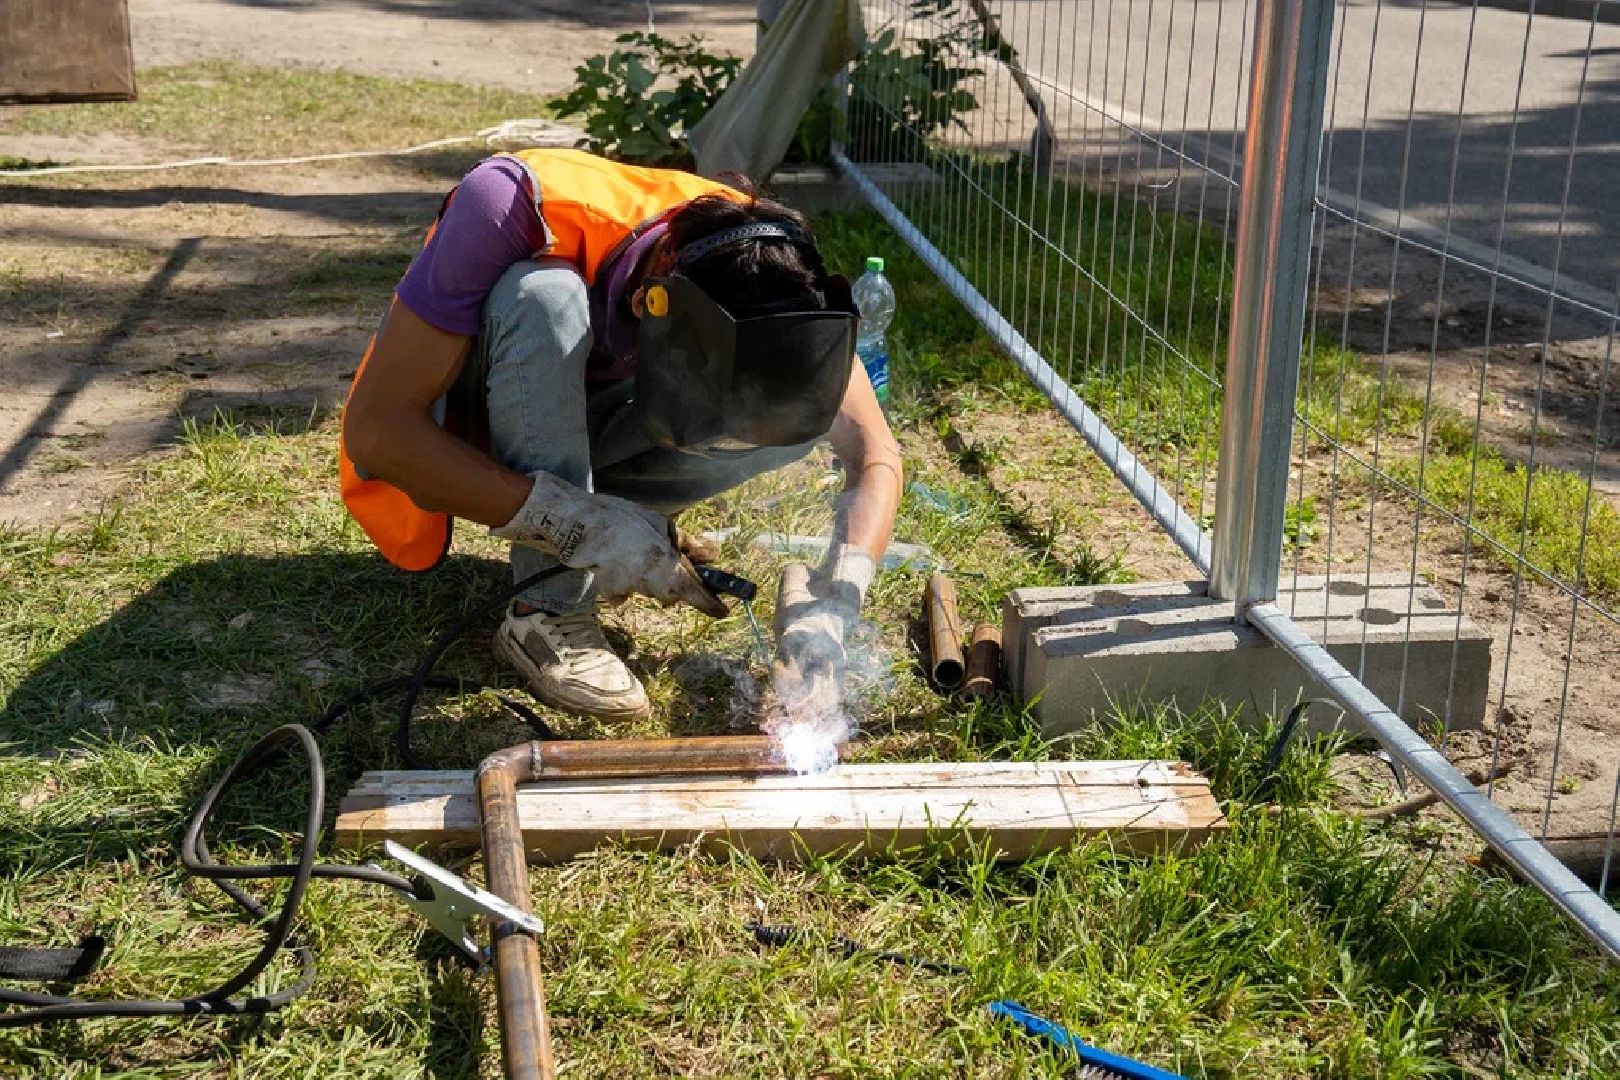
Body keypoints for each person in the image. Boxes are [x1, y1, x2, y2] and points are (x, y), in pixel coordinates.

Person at [340, 148, 902, 722]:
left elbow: (873, 451)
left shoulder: (764, 264)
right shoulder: (512, 203)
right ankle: (547, 609)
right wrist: (584, 527)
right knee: (546, 298)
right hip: (462, 422)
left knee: (797, 406)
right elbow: (378, 431)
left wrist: (836, 602)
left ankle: (611, 515)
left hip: (581, 414)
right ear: (646, 301)